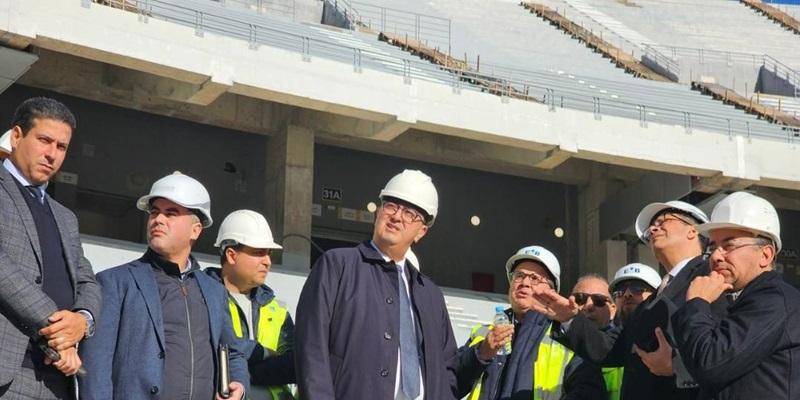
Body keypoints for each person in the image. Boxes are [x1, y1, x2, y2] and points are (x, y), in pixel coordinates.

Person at [530, 200, 729, 400]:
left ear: (692, 231)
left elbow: (726, 352)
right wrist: (569, 318)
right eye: (652, 225)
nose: (653, 228)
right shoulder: (651, 301)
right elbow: (610, 350)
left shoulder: (712, 278)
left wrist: (676, 366)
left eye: (663, 221)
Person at [80, 172, 249, 400]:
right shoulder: (116, 283)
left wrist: (238, 384)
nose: (158, 220)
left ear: (196, 230)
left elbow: (233, 352)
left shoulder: (214, 291)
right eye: (154, 212)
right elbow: (95, 365)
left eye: (171, 214)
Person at [295, 169, 458, 400]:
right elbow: (311, 347)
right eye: (391, 205)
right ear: (378, 212)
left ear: (421, 231)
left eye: (410, 213)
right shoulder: (338, 266)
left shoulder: (430, 294)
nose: (397, 216)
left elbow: (447, 368)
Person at [0, 97, 101, 399]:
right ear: (17, 136)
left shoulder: (64, 217)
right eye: (44, 140)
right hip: (9, 374)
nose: (52, 154)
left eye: (61, 146)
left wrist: (83, 320)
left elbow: (88, 280)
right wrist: (58, 330)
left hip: (58, 380)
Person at [672, 191, 800, 399]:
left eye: (729, 245)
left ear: (765, 255)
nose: (715, 255)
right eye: (713, 246)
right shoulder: (746, 298)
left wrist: (697, 303)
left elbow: (709, 363)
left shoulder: (773, 301)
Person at [455, 246, 607, 400]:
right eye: (519, 275)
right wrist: (480, 354)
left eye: (534, 278)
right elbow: (449, 383)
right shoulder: (483, 333)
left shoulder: (568, 336)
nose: (525, 283)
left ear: (551, 290)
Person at [207, 209, 295, 400]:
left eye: (269, 254)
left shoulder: (277, 309)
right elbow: (209, 351)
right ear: (231, 255)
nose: (267, 261)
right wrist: (264, 353)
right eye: (258, 253)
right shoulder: (203, 297)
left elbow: (294, 366)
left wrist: (246, 370)